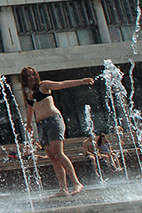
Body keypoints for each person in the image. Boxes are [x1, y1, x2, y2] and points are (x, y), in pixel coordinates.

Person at [20, 67, 94, 197]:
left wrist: (82, 81)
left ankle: (76, 183)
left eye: (33, 75)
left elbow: (62, 84)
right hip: (41, 125)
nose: (31, 77)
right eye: (28, 76)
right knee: (52, 156)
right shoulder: (29, 93)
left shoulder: (44, 85)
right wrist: (29, 123)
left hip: (53, 121)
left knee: (58, 153)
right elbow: (30, 109)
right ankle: (63, 189)